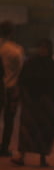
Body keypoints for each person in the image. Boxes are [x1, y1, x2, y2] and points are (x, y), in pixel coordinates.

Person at [11, 38, 54, 168]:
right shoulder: (31, 64)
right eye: (41, 47)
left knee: (45, 131)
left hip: (48, 104)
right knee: (26, 131)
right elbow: (22, 80)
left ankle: (43, 158)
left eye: (45, 48)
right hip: (31, 103)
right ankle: (21, 156)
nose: (42, 50)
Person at [0, 20, 24, 157]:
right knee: (9, 120)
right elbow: (20, 70)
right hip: (11, 87)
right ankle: (4, 147)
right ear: (12, 32)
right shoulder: (16, 50)